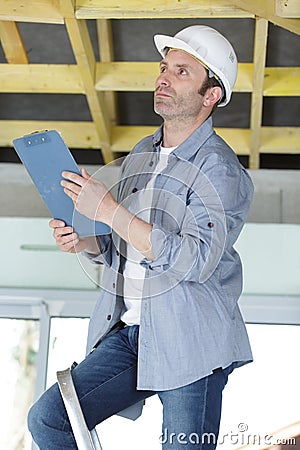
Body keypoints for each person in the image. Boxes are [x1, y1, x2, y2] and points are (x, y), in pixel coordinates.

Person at [28, 25, 254, 449]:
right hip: (133, 335)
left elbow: (195, 259)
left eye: (182, 71)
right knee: (51, 419)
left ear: (212, 95)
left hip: (193, 345)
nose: (163, 78)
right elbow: (124, 247)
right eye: (164, 68)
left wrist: (109, 210)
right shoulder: (141, 157)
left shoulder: (220, 171)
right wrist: (87, 240)